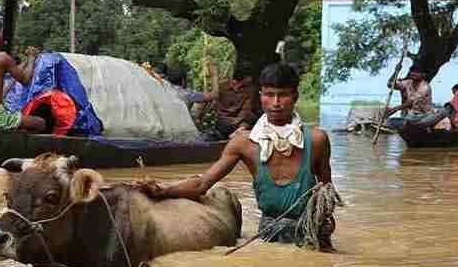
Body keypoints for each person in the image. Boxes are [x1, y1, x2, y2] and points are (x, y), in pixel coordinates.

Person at [135, 63, 336, 251]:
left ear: (295, 97)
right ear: (260, 96)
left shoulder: (317, 140)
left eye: (283, 95)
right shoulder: (243, 143)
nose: (275, 103)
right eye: (269, 95)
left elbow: (327, 195)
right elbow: (202, 184)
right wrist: (161, 190)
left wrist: (323, 230)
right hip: (268, 233)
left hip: (310, 234)